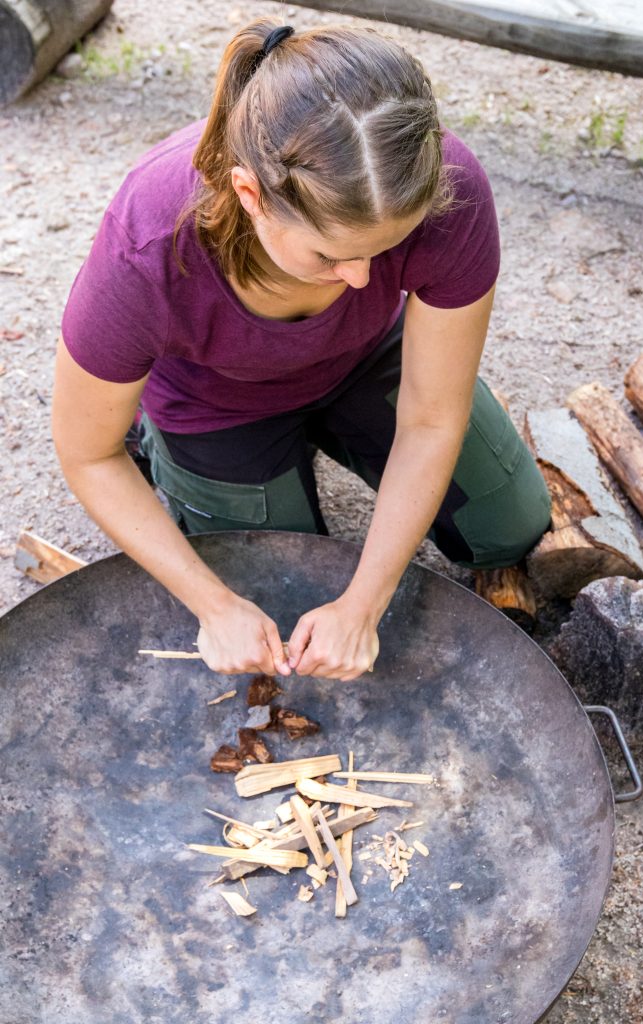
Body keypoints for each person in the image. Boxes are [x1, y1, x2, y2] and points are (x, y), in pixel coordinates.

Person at [53, 18, 550, 682]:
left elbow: (431, 417)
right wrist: (213, 604)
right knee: (276, 607)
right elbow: (86, 453)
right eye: (331, 255)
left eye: (382, 250)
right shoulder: (147, 246)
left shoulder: (443, 190)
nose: (362, 280)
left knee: (509, 527)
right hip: (216, 402)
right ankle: (164, 449)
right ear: (250, 196)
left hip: (366, 360)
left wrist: (364, 603)